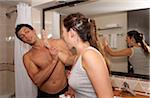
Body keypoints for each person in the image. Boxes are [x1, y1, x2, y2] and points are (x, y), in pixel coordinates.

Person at [61, 12, 113, 98]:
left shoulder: (89, 55)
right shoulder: (79, 56)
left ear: (71, 33)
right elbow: (66, 59)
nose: (62, 36)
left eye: (63, 32)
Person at [15, 24, 72, 98]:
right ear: (23, 41)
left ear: (34, 30)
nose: (26, 36)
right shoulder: (28, 57)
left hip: (65, 90)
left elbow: (72, 64)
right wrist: (54, 60)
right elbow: (37, 81)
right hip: (45, 94)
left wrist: (72, 87)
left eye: (27, 31)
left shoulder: (59, 43)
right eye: (22, 36)